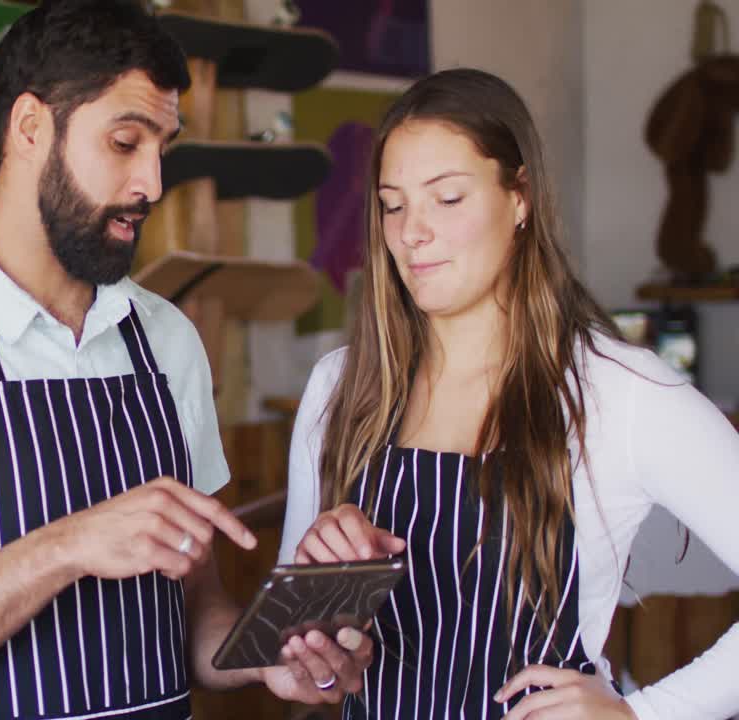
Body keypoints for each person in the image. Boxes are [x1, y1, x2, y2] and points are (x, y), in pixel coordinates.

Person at [0, 2, 374, 718]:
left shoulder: (167, 338)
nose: (152, 184)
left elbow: (198, 614)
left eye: (163, 147)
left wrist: (272, 656)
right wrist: (69, 546)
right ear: (31, 128)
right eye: (126, 142)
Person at [280, 67, 739, 719]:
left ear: (518, 197)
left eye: (448, 198)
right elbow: (304, 665)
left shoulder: (621, 393)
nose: (412, 232)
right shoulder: (340, 387)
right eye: (393, 203)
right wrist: (317, 595)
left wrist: (641, 715)